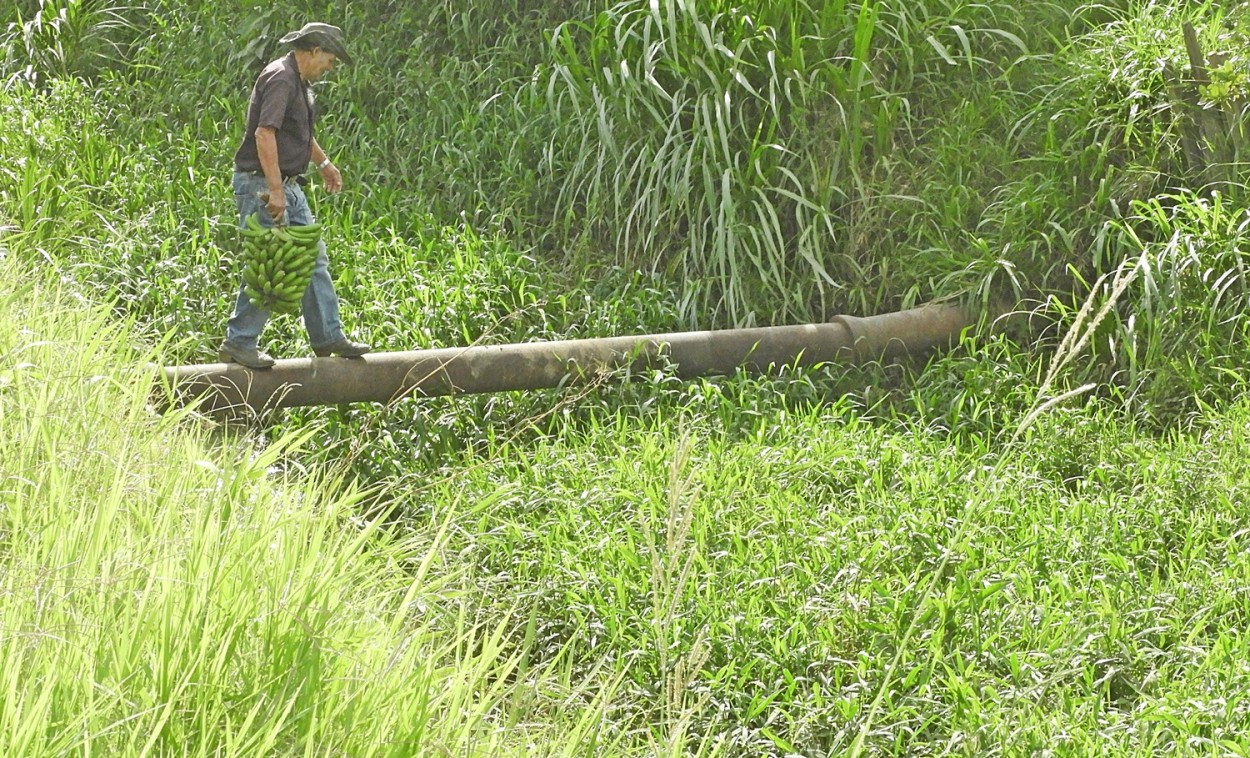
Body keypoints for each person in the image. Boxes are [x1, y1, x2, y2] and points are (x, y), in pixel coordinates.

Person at [218, 21, 371, 369]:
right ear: (314, 51)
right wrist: (274, 190)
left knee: (313, 259)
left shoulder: (298, 82)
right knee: (271, 264)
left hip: (288, 184)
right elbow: (264, 133)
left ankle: (328, 335)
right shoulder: (281, 78)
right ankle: (239, 341)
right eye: (330, 60)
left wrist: (324, 164)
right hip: (262, 184)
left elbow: (297, 134)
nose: (330, 68)